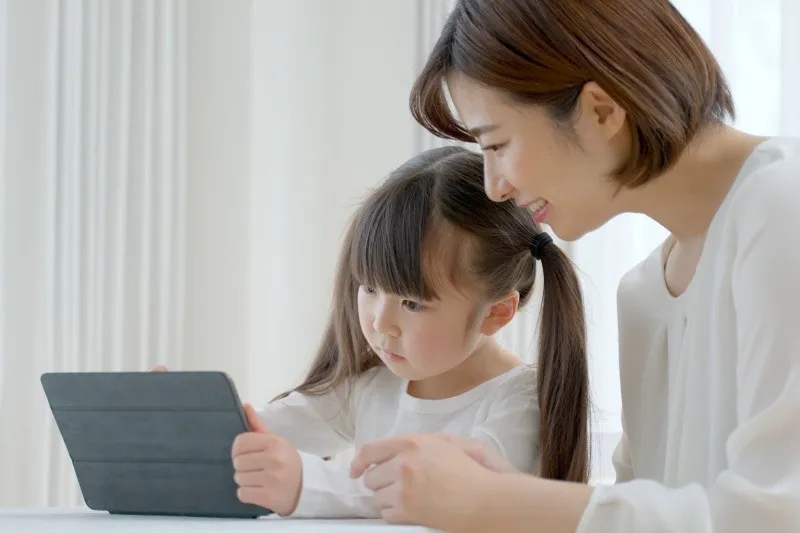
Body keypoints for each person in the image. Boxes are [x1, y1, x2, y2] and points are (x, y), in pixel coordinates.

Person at [348, 1, 800, 532]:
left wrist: (502, 502)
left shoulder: (783, 207)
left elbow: (775, 515)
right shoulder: (645, 293)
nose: (494, 188)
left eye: (498, 144)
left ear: (601, 111)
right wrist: (505, 496)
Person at [156, 146, 591, 518]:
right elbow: (265, 431)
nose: (381, 323)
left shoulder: (519, 401)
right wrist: (185, 421)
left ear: (496, 313)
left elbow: (442, 489)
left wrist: (306, 484)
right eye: (369, 288)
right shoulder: (372, 386)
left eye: (412, 303)